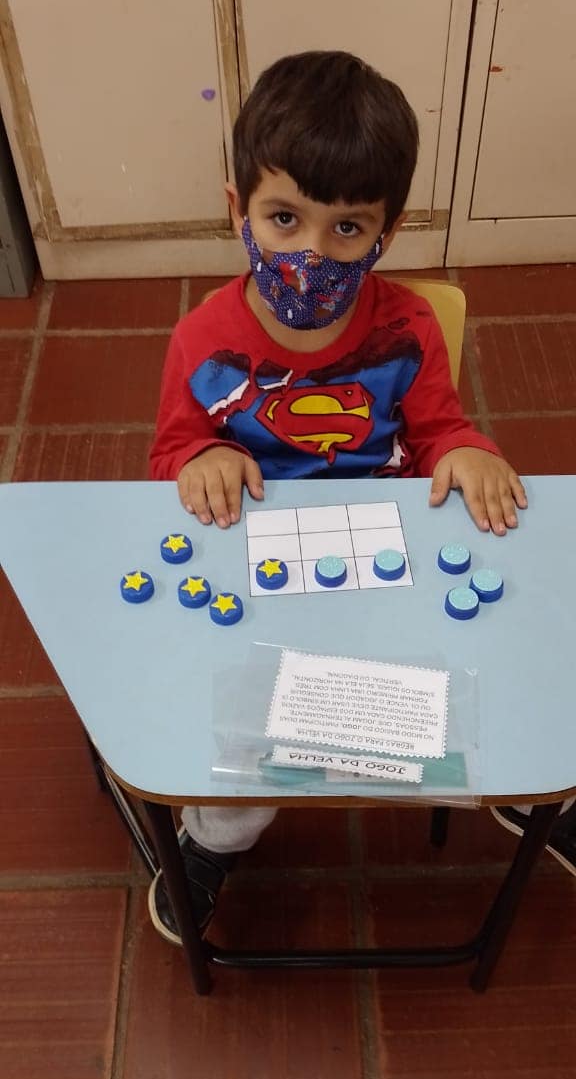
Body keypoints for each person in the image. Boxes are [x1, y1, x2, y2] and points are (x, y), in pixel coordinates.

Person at [148, 50, 528, 945]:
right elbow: (172, 455)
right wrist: (202, 455)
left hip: (390, 554)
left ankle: (521, 786)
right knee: (247, 735)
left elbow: (439, 431)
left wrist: (467, 450)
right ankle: (215, 841)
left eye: (347, 227)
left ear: (386, 232)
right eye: (284, 218)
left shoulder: (408, 326)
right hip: (260, 565)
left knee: (493, 663)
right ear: (237, 209)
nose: (311, 254)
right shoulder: (202, 340)